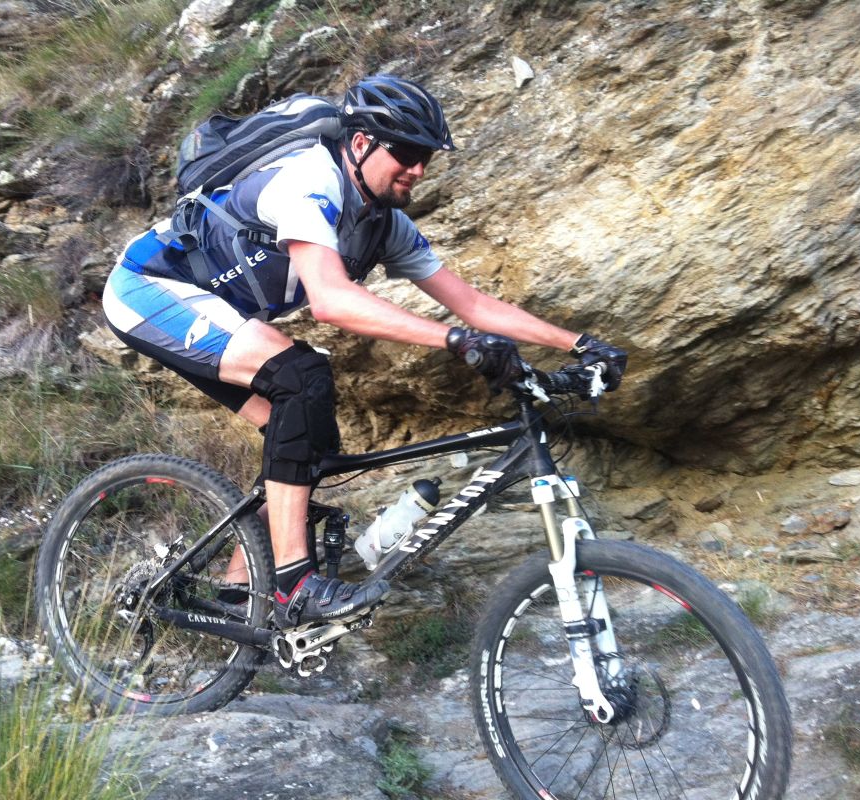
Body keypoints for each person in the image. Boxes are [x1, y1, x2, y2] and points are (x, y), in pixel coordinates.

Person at [102, 74, 627, 630]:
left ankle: (238, 593)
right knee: (300, 376)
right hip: (149, 288)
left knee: (307, 441)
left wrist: (580, 344)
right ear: (360, 143)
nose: (418, 169)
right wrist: (454, 340)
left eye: (426, 157)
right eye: (406, 153)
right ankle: (294, 585)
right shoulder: (310, 179)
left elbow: (471, 303)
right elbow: (331, 300)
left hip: (220, 313)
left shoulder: (384, 226)